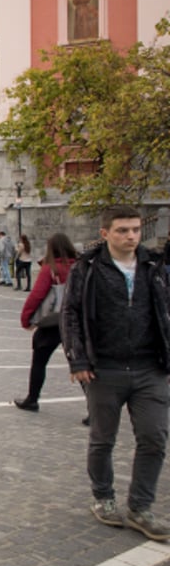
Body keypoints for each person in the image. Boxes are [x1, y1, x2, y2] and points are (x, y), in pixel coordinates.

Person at [63, 205, 170, 541]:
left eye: (136, 230)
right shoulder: (88, 268)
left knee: (154, 437)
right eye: (123, 230)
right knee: (102, 439)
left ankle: (140, 507)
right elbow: (71, 314)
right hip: (104, 368)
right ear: (105, 233)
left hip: (149, 367)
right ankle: (104, 498)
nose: (131, 236)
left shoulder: (154, 266)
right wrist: (78, 360)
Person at [14, 233, 78, 412]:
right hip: (76, 321)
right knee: (80, 362)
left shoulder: (51, 268)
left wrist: (26, 318)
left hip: (54, 321)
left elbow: (37, 295)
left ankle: (32, 399)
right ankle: (94, 409)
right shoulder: (80, 267)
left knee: (39, 361)